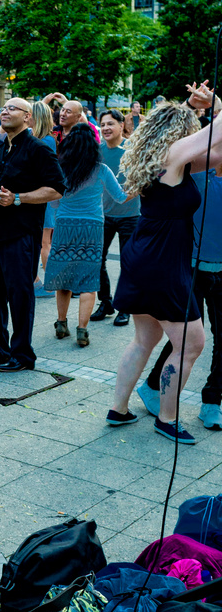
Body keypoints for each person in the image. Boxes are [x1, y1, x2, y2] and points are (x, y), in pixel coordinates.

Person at [107, 83, 222, 443]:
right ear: (178, 132)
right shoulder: (173, 155)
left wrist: (202, 108)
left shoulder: (160, 158)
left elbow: (217, 153)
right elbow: (217, 132)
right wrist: (216, 104)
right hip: (163, 260)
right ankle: (167, 418)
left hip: (146, 253)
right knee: (192, 343)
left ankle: (118, 409)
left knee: (146, 337)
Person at [0, 98, 65, 371]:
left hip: (21, 234)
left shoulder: (38, 149)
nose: (5, 111)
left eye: (12, 108)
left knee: (19, 295)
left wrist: (18, 198)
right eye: (3, 108)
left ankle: (22, 355)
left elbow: (56, 189)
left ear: (28, 117)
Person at [140, 157, 222, 430]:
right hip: (190, 269)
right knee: (185, 339)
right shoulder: (196, 173)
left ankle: (212, 402)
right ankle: (152, 386)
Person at [43, 124, 128, 347]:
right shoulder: (101, 169)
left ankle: (61, 324)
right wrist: (139, 187)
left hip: (64, 225)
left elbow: (53, 202)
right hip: (92, 227)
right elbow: (119, 197)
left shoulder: (60, 169)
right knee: (89, 279)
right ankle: (82, 330)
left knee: (64, 277)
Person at [90, 108, 141, 326]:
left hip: (130, 215)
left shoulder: (133, 150)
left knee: (128, 264)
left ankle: (124, 307)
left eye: (110, 124)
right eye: (102, 124)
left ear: (122, 125)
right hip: (103, 216)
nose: (105, 128)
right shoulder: (97, 152)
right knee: (97, 260)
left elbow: (144, 178)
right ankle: (105, 303)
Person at [31, 101, 57, 297]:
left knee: (43, 243)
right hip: (44, 196)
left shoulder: (35, 139)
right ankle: (46, 283)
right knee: (44, 243)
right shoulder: (47, 140)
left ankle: (47, 283)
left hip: (40, 196)